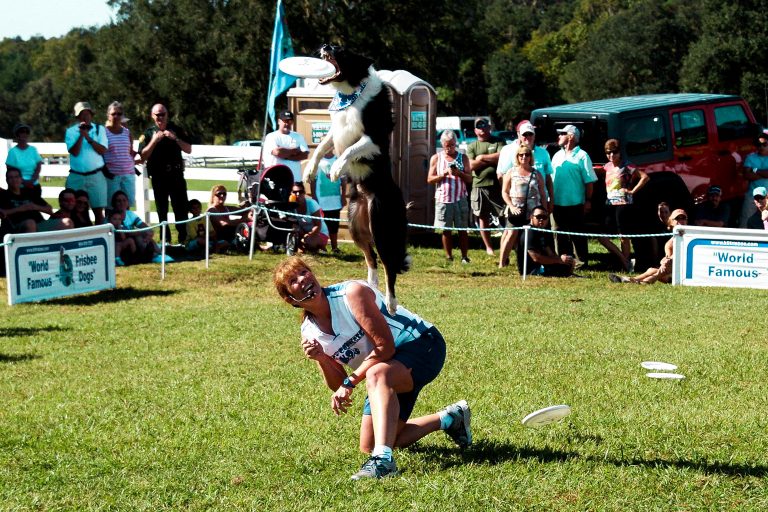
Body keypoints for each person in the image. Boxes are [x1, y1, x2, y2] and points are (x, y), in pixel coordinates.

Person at [273, 256, 472, 480]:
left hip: (423, 345)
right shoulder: (309, 331)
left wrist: (350, 382)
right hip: (385, 370)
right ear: (291, 299)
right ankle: (450, 418)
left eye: (304, 271)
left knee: (376, 375)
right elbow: (338, 383)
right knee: (373, 442)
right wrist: (321, 358)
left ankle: (384, 463)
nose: (304, 278)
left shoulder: (351, 293)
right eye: (294, 280)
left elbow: (384, 347)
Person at [139, 103, 192, 244]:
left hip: (176, 176)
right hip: (159, 177)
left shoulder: (176, 129)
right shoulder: (148, 133)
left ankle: (183, 239)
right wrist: (154, 141)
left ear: (167, 115)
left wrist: (175, 138)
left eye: (163, 114)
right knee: (161, 210)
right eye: (157, 115)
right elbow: (142, 156)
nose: (160, 117)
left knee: (181, 208)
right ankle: (165, 240)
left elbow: (188, 149)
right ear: (152, 116)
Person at [597, 139, 649, 270]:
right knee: (602, 237)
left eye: (614, 152)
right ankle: (623, 260)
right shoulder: (607, 166)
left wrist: (632, 191)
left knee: (623, 236)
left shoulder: (627, 165)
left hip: (624, 203)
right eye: (608, 153)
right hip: (609, 203)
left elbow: (645, 177)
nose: (611, 156)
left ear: (619, 152)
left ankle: (625, 266)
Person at [550, 124, 597, 265]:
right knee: (558, 234)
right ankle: (562, 262)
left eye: (562, 134)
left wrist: (588, 200)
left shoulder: (583, 156)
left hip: (576, 203)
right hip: (557, 203)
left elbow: (589, 181)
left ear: (570, 137)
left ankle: (581, 263)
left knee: (577, 234)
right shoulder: (557, 155)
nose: (559, 136)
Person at [498, 144, 548, 268]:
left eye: (527, 154)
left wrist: (545, 210)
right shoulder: (511, 172)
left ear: (531, 157)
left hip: (533, 211)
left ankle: (535, 263)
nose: (524, 157)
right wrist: (511, 206)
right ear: (517, 157)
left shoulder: (536, 173)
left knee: (533, 236)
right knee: (511, 234)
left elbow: (542, 192)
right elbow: (504, 191)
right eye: (521, 154)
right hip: (516, 209)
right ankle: (502, 262)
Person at [427, 130, 472, 263]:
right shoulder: (436, 158)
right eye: (447, 145)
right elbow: (429, 179)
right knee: (446, 230)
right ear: (442, 144)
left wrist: (460, 174)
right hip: (443, 198)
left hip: (460, 198)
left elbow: (470, 179)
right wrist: (444, 174)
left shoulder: (463, 158)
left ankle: (464, 256)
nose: (449, 148)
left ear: (455, 144)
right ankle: (449, 257)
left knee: (462, 229)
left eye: (452, 145)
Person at [609, 209, 688, 284]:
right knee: (652, 270)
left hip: (685, 272)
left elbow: (680, 253)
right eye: (677, 218)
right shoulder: (672, 240)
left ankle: (633, 280)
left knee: (655, 270)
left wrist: (668, 261)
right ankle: (634, 280)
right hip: (672, 272)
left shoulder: (689, 236)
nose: (681, 221)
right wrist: (665, 261)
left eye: (683, 218)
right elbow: (669, 257)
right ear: (671, 221)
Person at [65, 101, 109, 225]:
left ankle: (98, 237)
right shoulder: (71, 131)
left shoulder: (100, 130)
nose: (85, 116)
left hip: (96, 175)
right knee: (73, 209)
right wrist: (81, 135)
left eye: (87, 113)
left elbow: (102, 150)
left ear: (91, 115)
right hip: (76, 175)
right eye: (82, 114)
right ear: (78, 116)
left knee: (98, 210)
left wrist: (88, 138)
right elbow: (74, 152)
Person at [466, 118, 505, 255]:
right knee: (482, 217)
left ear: (489, 127)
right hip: (479, 186)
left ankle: (506, 244)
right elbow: (470, 166)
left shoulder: (498, 141)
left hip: (497, 185)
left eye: (484, 125)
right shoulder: (471, 146)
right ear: (475, 130)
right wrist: (490, 160)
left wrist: (481, 158)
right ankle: (489, 248)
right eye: (478, 126)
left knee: (503, 216)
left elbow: (501, 157)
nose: (482, 128)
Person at [496, 120, 554, 208]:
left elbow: (548, 178)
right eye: (524, 134)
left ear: (534, 135)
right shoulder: (507, 150)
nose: (528, 137)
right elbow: (501, 176)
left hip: (539, 204)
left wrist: (551, 200)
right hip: (516, 205)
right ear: (518, 134)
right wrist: (510, 201)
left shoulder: (543, 153)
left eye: (530, 134)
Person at [0, 168, 70, 232]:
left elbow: (49, 209)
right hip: (18, 227)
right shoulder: (4, 195)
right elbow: (2, 212)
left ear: (21, 179)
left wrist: (35, 207)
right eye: (11, 177)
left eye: (16, 177)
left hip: (39, 224)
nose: (14, 180)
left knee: (67, 222)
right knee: (30, 223)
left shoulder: (29, 193)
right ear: (7, 180)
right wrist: (20, 209)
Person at [516, 205, 576, 277]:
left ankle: (569, 274)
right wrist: (558, 260)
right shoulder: (530, 232)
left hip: (543, 266)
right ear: (531, 217)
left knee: (569, 262)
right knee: (562, 268)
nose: (541, 220)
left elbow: (550, 253)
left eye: (544, 217)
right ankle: (568, 275)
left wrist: (562, 259)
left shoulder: (541, 232)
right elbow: (535, 258)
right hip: (532, 271)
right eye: (538, 217)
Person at [310, 150, 347, 253]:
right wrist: (314, 196)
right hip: (321, 201)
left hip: (335, 200)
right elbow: (313, 180)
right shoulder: (317, 160)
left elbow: (343, 181)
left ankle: (335, 247)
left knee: (334, 225)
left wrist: (343, 197)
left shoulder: (339, 160)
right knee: (322, 225)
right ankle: (322, 247)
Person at [109, 190, 161, 262]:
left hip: (131, 242)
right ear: (114, 203)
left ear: (127, 203)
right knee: (138, 236)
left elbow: (143, 226)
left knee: (145, 236)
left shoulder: (130, 214)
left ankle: (158, 253)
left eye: (124, 200)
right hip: (119, 244)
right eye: (119, 201)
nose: (122, 203)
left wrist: (149, 232)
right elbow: (127, 233)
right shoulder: (112, 216)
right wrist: (143, 232)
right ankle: (150, 255)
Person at [103, 101, 138, 207]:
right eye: (113, 114)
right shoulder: (104, 133)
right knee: (111, 206)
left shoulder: (127, 132)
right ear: (108, 115)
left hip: (128, 174)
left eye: (119, 114)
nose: (116, 116)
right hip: (112, 175)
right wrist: (106, 171)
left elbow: (130, 152)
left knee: (126, 206)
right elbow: (99, 154)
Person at [262, 110, 309, 184]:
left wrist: (285, 155)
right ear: (279, 121)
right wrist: (294, 151)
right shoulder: (271, 136)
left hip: (295, 179)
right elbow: (277, 152)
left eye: (290, 121)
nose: (287, 124)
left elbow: (304, 155)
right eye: (285, 121)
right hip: (275, 179)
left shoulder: (298, 136)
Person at [289, 184, 329, 253]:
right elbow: (294, 224)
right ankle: (312, 248)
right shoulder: (291, 206)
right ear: (291, 193)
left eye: (300, 192)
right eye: (295, 192)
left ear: (304, 193)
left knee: (307, 242)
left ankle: (320, 246)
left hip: (319, 232)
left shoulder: (311, 203)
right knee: (300, 243)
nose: (298, 194)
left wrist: (308, 235)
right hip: (304, 233)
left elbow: (318, 225)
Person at [739, 132, 768, 227]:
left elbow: (751, 173)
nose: (762, 147)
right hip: (752, 195)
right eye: (759, 145)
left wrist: (754, 170)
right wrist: (764, 173)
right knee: (745, 221)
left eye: (764, 144)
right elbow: (747, 175)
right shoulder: (750, 157)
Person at [5, 122, 43, 194]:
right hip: (18, 187)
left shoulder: (33, 149)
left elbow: (38, 166)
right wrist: (22, 181)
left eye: (26, 132)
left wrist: (32, 180)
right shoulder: (13, 152)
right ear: (17, 135)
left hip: (33, 185)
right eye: (22, 132)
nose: (24, 134)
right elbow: (10, 170)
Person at [206, 185, 245, 250]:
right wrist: (244, 219)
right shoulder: (211, 210)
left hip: (227, 236)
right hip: (217, 238)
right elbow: (224, 223)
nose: (222, 196)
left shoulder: (226, 208)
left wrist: (248, 209)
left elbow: (243, 211)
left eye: (224, 194)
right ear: (213, 196)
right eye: (219, 194)